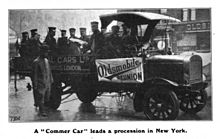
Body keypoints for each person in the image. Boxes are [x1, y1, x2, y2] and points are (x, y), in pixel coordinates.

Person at [32, 44, 53, 116]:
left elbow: (49, 71)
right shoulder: (36, 62)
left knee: (47, 97)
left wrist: (51, 80)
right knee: (41, 97)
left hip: (47, 82)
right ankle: (42, 111)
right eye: (45, 52)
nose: (47, 54)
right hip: (40, 83)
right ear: (41, 52)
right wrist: (35, 85)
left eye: (47, 52)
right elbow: (34, 75)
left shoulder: (46, 60)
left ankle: (44, 109)